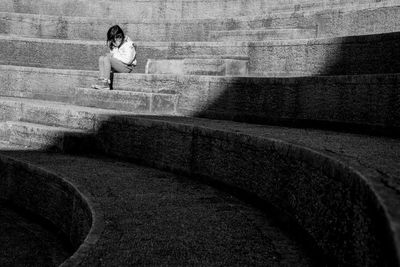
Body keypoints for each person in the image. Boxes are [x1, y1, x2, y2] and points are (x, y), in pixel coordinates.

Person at [92, 25, 137, 90]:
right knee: (101, 58)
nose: (113, 43)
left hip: (126, 67)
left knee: (108, 59)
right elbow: (114, 55)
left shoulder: (129, 45)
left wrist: (113, 56)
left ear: (120, 37)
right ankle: (101, 80)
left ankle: (106, 83)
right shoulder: (116, 44)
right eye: (111, 41)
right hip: (120, 65)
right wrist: (113, 49)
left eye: (114, 41)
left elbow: (128, 60)